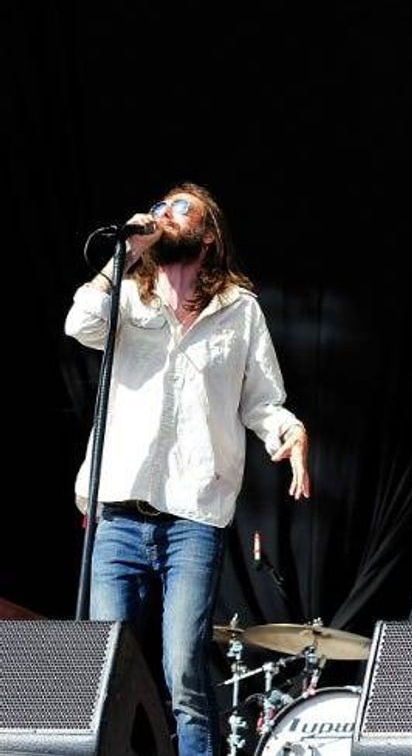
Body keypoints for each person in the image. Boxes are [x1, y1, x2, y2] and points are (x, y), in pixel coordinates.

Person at [65, 183, 311, 756]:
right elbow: (79, 323)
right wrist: (122, 253)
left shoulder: (239, 311)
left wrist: (289, 432)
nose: (161, 215)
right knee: (106, 676)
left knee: (184, 674)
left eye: (178, 209)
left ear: (207, 235)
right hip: (119, 513)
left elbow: (262, 400)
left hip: (193, 517)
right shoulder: (126, 298)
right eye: (157, 208)